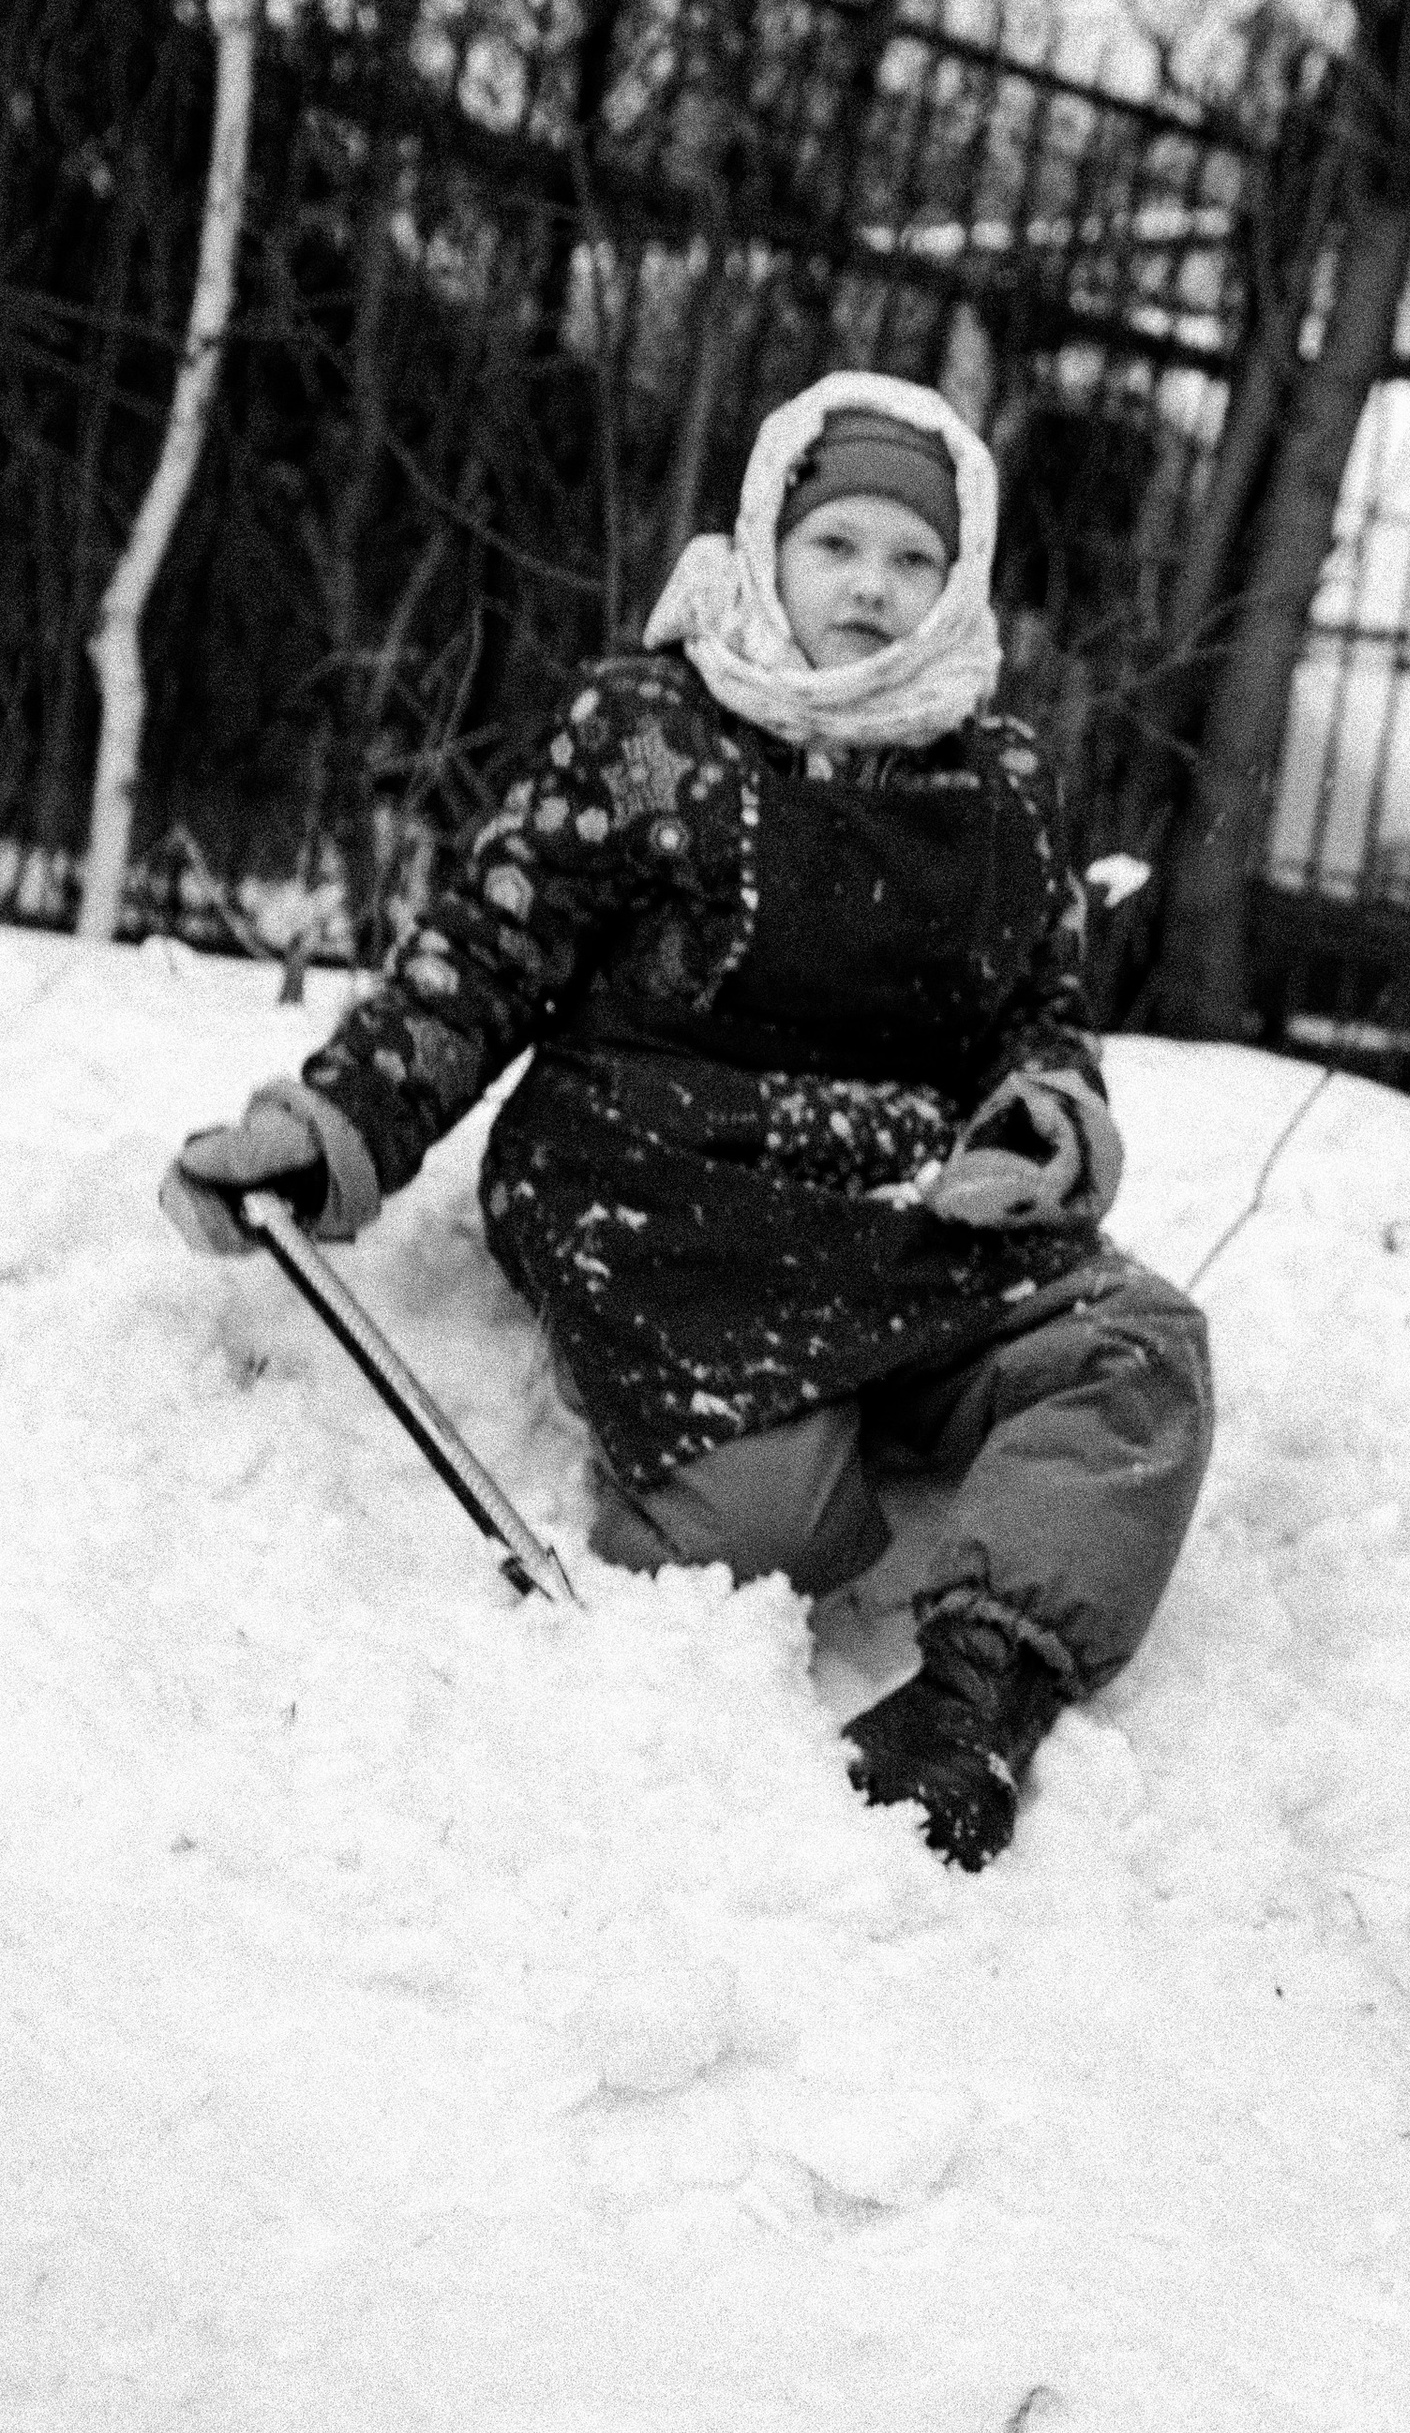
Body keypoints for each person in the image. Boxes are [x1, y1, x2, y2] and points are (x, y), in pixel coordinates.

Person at [165, 371, 1213, 1867]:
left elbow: (1038, 1014)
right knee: (758, 1531)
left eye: (915, 560)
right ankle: (804, 1431)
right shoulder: (651, 727)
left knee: (1138, 1351)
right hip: (660, 1189)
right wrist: (329, 1127)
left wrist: (1040, 1124)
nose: (871, 587)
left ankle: (977, 1699)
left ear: (962, 577)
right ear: (770, 544)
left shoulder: (1003, 778)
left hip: (899, 1193)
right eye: (838, 544)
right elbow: (481, 960)